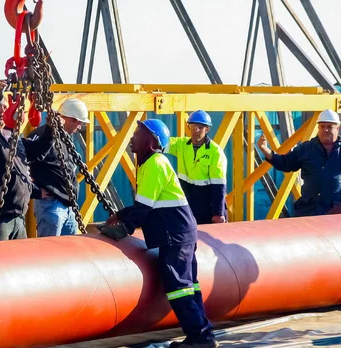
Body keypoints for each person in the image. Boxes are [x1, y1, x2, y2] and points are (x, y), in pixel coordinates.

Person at [99, 119, 217, 348]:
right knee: (189, 285)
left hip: (175, 235)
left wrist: (124, 229)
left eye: (138, 134)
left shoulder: (154, 164)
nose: (133, 138)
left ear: (151, 141)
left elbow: (144, 206)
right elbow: (149, 202)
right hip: (180, 233)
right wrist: (122, 215)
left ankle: (201, 337)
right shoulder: (152, 164)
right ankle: (201, 335)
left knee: (179, 288)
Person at [0, 80, 54, 242]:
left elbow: (36, 152)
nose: (3, 108)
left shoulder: (13, 140)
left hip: (17, 217)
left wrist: (50, 130)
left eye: (4, 106)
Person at [258, 109, 341, 216]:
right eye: (322, 126)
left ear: (337, 128)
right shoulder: (306, 148)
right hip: (308, 211)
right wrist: (265, 150)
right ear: (318, 128)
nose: (325, 130)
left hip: (335, 212)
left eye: (329, 127)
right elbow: (286, 164)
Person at [28, 98, 89, 237]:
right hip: (50, 206)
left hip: (69, 206)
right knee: (49, 254)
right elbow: (23, 164)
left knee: (69, 253)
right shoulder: (40, 136)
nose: (79, 127)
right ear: (70, 119)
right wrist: (35, 191)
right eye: (79, 123)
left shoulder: (67, 138)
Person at [165, 110, 227, 224]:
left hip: (208, 204)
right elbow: (161, 143)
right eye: (192, 127)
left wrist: (218, 213)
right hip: (189, 202)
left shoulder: (215, 152)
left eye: (200, 127)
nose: (196, 130)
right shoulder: (181, 144)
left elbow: (219, 185)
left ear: (207, 129)